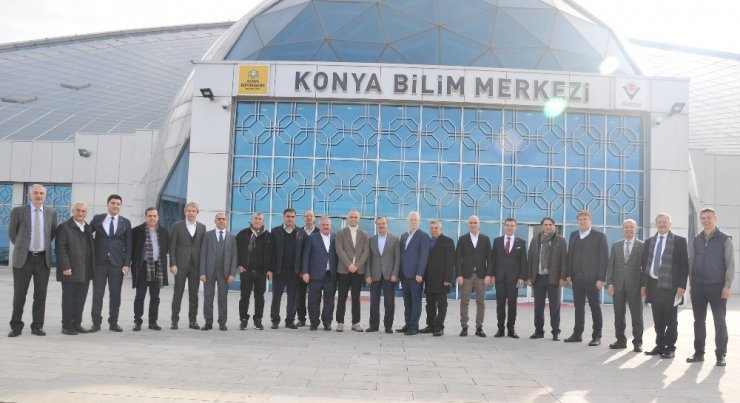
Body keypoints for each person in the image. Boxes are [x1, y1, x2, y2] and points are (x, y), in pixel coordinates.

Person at [8, 184, 58, 337]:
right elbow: (12, 234)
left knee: (40, 295)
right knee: (19, 294)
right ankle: (16, 326)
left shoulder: (51, 212)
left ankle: (37, 326)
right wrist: (23, 247)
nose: (39, 195)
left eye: (42, 193)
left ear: (45, 196)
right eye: (36, 193)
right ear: (30, 195)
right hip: (23, 259)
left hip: (43, 259)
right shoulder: (18, 211)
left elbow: (51, 234)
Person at [687, 208, 733, 366]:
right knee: (698, 321)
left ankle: (721, 355)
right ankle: (699, 353)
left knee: (719, 322)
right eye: (703, 218)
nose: (706, 220)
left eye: (709, 218)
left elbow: (730, 264)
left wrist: (727, 285)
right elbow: (691, 262)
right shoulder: (696, 239)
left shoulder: (725, 239)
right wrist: (692, 284)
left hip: (717, 287)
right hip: (698, 287)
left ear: (715, 219)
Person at [641, 213, 689, 359]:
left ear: (670, 224)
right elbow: (644, 265)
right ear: (656, 224)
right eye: (659, 222)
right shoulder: (649, 241)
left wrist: (681, 286)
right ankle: (660, 345)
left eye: (665, 222)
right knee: (658, 319)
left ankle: (670, 347)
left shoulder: (679, 241)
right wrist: (643, 285)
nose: (662, 224)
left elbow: (684, 266)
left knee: (671, 319)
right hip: (653, 284)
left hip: (671, 286)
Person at [564, 210, 608, 346]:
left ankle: (597, 336)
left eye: (585, 219)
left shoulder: (599, 236)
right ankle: (577, 334)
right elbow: (570, 255)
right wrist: (568, 274)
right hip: (576, 279)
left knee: (595, 307)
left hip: (593, 279)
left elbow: (604, 258)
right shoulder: (573, 235)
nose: (582, 221)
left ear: (590, 221)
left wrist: (601, 278)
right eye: (580, 219)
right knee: (578, 308)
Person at [89, 194, 132, 333]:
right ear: (107, 204)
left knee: (115, 295)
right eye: (113, 203)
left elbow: (129, 245)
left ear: (121, 206)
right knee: (97, 294)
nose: (115, 206)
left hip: (117, 264)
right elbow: (87, 235)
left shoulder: (126, 222)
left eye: (118, 204)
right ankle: (96, 323)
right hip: (99, 263)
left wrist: (127, 264)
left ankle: (113, 322)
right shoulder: (98, 219)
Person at [606, 219, 645, 352]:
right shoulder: (616, 245)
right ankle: (620, 341)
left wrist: (644, 286)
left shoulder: (642, 246)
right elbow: (611, 266)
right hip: (618, 285)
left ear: (635, 229)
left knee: (637, 316)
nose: (628, 229)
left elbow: (645, 267)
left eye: (631, 227)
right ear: (622, 229)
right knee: (619, 315)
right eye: (626, 227)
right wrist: (610, 283)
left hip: (635, 286)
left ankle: (637, 342)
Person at [55, 201, 93, 335]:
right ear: (73, 211)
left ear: (86, 213)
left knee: (80, 299)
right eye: (78, 210)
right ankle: (66, 325)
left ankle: (77, 323)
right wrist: (65, 266)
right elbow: (60, 249)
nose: (80, 213)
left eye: (83, 211)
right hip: (70, 270)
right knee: (69, 299)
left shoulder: (87, 227)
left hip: (85, 270)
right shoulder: (64, 227)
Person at [526, 217, 567, 341]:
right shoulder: (535, 240)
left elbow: (564, 260)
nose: (548, 227)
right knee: (538, 307)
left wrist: (563, 277)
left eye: (550, 224)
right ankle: (538, 331)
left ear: (554, 226)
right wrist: (529, 277)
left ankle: (556, 332)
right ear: (542, 226)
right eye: (545, 224)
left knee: (555, 307)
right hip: (538, 277)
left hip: (553, 278)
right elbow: (530, 259)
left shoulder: (560, 240)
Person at [169, 202, 206, 330]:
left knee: (194, 295)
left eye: (193, 211)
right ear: (185, 212)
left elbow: (203, 248)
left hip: (195, 266)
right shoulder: (176, 226)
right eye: (189, 211)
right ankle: (174, 321)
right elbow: (172, 246)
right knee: (178, 293)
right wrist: (173, 264)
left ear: (197, 213)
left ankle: (193, 321)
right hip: (180, 265)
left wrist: (202, 268)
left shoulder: (202, 227)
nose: (191, 213)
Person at [130, 207, 169, 331]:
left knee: (155, 297)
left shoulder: (164, 232)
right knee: (139, 296)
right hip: (142, 267)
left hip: (158, 267)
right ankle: (137, 322)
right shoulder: (137, 231)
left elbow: (165, 250)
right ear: (145, 217)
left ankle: (153, 322)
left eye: (154, 216)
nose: (152, 218)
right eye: (150, 216)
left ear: (158, 217)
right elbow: (131, 249)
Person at [199, 212, 237, 331]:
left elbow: (234, 257)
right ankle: (208, 322)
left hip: (224, 273)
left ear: (226, 221)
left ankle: (222, 322)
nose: (221, 221)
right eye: (219, 219)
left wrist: (232, 274)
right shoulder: (207, 235)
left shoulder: (232, 237)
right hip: (209, 272)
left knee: (222, 299)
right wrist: (202, 272)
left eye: (223, 219)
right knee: (208, 298)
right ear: (215, 221)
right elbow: (203, 254)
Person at [491, 218, 527, 338]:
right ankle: (500, 329)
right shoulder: (497, 241)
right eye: (507, 225)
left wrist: (522, 277)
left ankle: (511, 329)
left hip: (514, 280)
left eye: (512, 225)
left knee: (512, 305)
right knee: (500, 304)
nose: (509, 227)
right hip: (500, 278)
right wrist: (492, 275)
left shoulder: (521, 243)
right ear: (504, 226)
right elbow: (493, 260)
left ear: (515, 227)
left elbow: (523, 261)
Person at [270, 208, 306, 329]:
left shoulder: (301, 233)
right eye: (288, 216)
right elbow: (271, 252)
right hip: (279, 271)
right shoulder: (275, 231)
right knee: (276, 297)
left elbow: (304, 253)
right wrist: (270, 269)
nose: (290, 219)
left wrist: (302, 270)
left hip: (294, 272)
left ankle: (290, 320)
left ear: (295, 218)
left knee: (293, 298)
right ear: (284, 217)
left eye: (292, 217)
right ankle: (275, 320)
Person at [455, 215, 491, 337]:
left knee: (481, 302)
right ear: (468, 224)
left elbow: (490, 259)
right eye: (471, 222)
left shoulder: (485, 239)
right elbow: (458, 258)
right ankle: (464, 327)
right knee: (464, 301)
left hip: (481, 275)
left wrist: (488, 275)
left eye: (475, 222)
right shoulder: (462, 239)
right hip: (466, 276)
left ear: (479, 224)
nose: (473, 224)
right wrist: (459, 275)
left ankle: (479, 328)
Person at [235, 213, 272, 330]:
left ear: (263, 221)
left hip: (261, 272)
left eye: (260, 219)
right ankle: (243, 319)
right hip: (246, 271)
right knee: (244, 296)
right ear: (252, 220)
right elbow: (235, 250)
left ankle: (258, 320)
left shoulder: (268, 236)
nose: (257, 221)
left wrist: (270, 270)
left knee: (260, 297)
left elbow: (272, 254)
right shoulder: (243, 234)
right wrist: (238, 265)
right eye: (255, 218)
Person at [335, 209, 370, 332]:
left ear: (358, 219)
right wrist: (349, 264)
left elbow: (366, 251)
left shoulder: (364, 234)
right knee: (342, 297)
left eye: (356, 217)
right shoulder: (341, 233)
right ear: (348, 218)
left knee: (356, 298)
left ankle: (356, 323)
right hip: (344, 270)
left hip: (358, 271)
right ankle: (340, 322)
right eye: (351, 217)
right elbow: (339, 249)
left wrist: (357, 265)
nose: (354, 219)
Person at [301, 216, 338, 331]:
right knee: (313, 300)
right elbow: (306, 256)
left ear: (331, 226)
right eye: (323, 225)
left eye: (328, 225)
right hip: (315, 275)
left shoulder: (335, 237)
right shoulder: (312, 238)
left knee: (329, 301)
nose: (326, 227)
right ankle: (314, 322)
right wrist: (305, 272)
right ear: (319, 226)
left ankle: (327, 322)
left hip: (330, 275)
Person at [397, 211, 430, 336]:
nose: (413, 221)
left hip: (416, 275)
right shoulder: (404, 236)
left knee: (415, 301)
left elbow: (424, 256)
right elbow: (402, 255)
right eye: (411, 219)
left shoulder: (423, 236)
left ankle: (414, 326)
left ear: (419, 221)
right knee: (407, 301)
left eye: (415, 219)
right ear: (408, 221)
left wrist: (420, 273)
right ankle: (408, 324)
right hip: (404, 275)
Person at [365, 216, 400, 334]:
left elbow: (397, 258)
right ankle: (373, 325)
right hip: (374, 275)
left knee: (389, 302)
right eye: (379, 224)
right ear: (376, 225)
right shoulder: (371, 240)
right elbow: (368, 259)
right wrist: (367, 274)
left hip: (389, 275)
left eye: (383, 223)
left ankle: (388, 326)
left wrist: (395, 273)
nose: (381, 226)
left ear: (387, 224)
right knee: (374, 302)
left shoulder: (395, 239)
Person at [421, 220, 454, 337]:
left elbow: (450, 262)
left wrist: (448, 279)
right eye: (432, 228)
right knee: (429, 304)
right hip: (429, 279)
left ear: (441, 229)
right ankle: (430, 325)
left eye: (436, 228)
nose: (434, 230)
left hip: (442, 280)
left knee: (441, 304)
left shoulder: (448, 241)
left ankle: (439, 327)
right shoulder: (427, 241)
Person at [296, 210, 318, 327]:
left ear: (314, 218)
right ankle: (301, 318)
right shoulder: (298, 232)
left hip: (315, 271)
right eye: (306, 216)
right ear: (303, 219)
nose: (308, 218)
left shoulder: (319, 231)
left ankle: (314, 319)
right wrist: (301, 270)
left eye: (311, 216)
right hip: (300, 271)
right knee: (300, 296)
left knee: (314, 297)